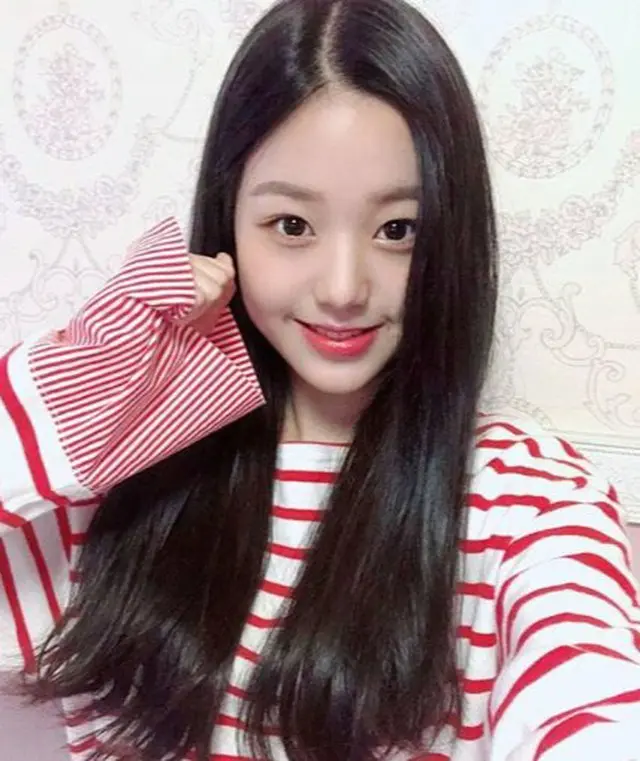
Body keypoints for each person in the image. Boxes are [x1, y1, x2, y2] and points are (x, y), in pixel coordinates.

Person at [1, 0, 639, 759]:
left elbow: (590, 694)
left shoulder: (524, 498)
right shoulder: (117, 467)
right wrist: (100, 370)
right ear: (229, 222)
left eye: (398, 230)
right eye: (293, 226)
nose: (343, 288)